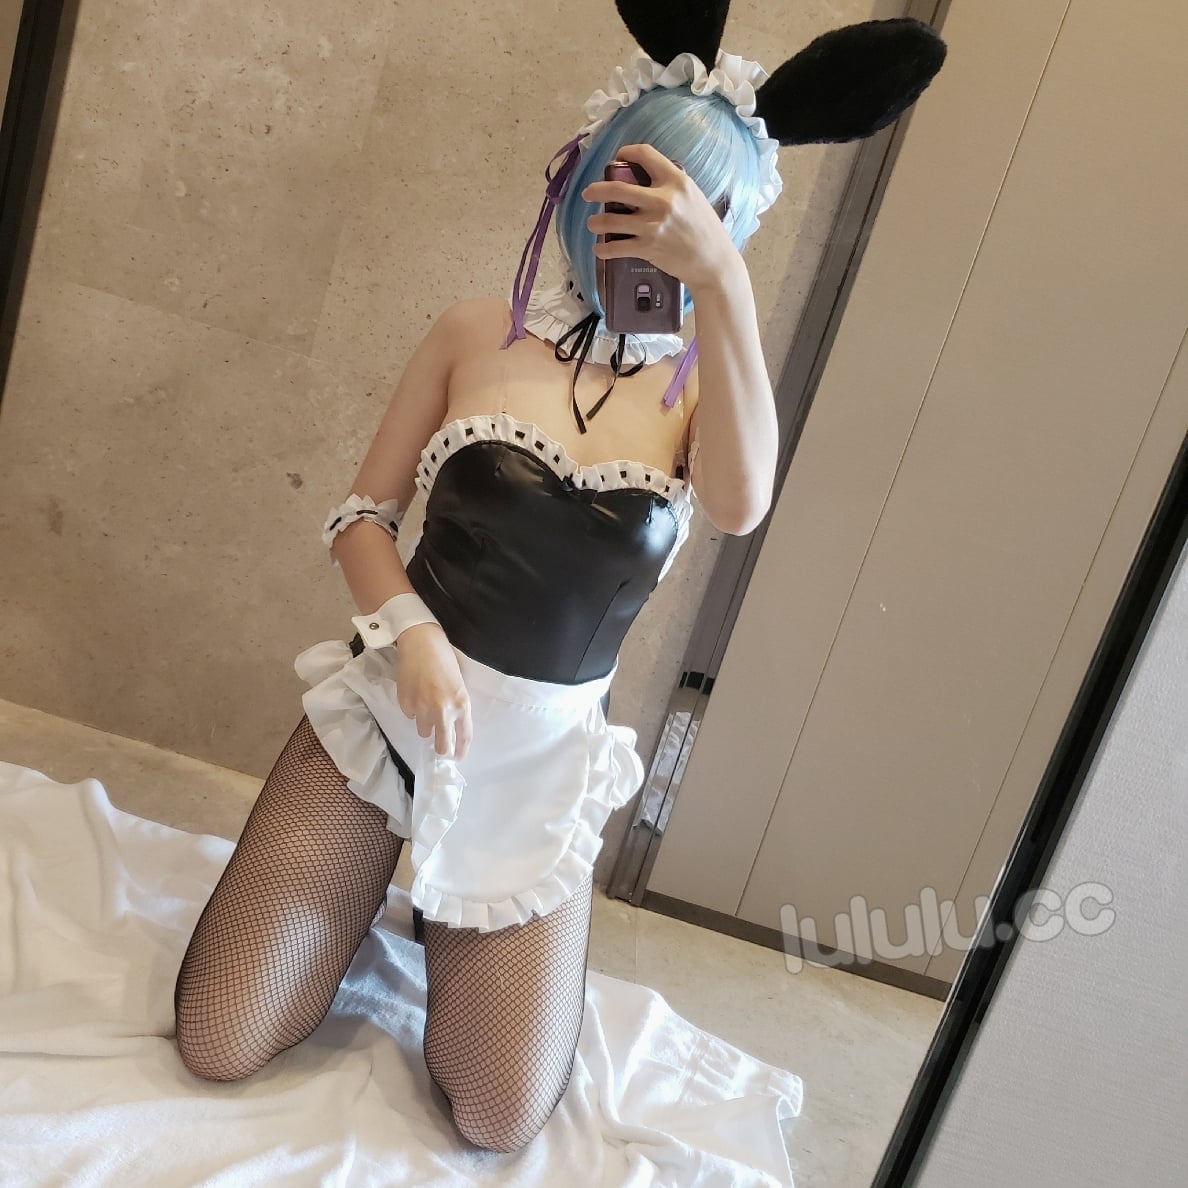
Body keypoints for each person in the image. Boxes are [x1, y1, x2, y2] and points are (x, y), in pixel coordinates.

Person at [173, 10, 945, 1154]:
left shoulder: (700, 387)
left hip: (537, 763)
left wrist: (723, 286)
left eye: (690, 214)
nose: (647, 232)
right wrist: (411, 634)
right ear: (587, 179)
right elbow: (361, 516)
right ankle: (364, 883)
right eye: (630, 191)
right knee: (220, 1038)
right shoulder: (474, 333)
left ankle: (444, 915)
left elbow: (739, 507)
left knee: (497, 1115)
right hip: (387, 718)